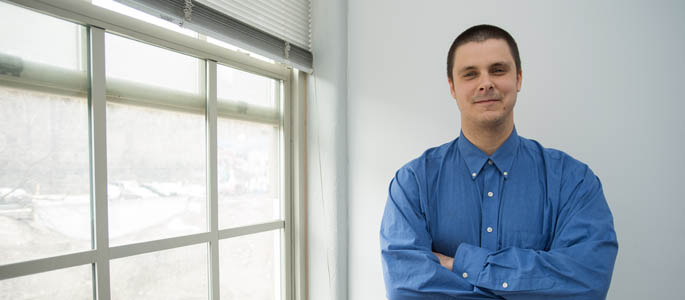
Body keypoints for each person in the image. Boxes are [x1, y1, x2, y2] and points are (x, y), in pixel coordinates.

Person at [379, 24, 618, 300]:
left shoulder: (573, 181)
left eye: (498, 70)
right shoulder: (413, 183)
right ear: (452, 87)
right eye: (470, 74)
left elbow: (587, 282)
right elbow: (405, 289)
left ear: (518, 79)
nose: (485, 83)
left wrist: (460, 264)